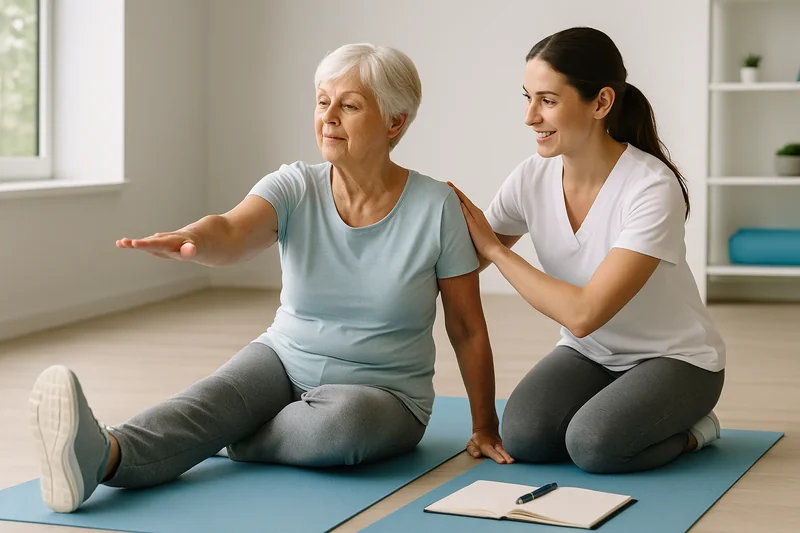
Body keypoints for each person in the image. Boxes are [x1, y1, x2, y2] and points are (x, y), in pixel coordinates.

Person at [29, 43, 512, 514]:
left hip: (384, 395)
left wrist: (485, 424)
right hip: (284, 358)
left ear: (395, 122)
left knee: (340, 428)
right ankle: (102, 455)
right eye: (322, 102)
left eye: (349, 106)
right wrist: (191, 237)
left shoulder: (437, 207)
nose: (328, 117)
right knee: (212, 398)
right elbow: (231, 229)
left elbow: (466, 327)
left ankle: (214, 438)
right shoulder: (294, 185)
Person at [449, 27, 725, 474]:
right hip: (590, 354)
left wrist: (499, 253)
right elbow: (469, 255)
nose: (529, 117)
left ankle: (699, 428)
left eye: (548, 100)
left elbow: (583, 313)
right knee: (524, 437)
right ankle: (620, 408)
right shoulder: (529, 179)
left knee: (594, 447)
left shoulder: (651, 188)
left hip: (676, 359)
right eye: (527, 97)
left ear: (601, 102)